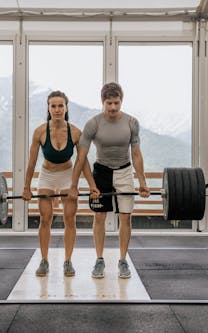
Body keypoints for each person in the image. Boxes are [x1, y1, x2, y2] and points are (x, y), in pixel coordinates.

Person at [69, 82, 150, 279]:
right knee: (99, 217)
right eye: (109, 103)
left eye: (116, 103)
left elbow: (137, 154)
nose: (113, 107)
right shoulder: (93, 124)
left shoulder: (132, 122)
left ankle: (123, 260)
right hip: (101, 172)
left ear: (121, 101)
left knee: (125, 218)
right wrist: (77, 185)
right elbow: (81, 157)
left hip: (124, 171)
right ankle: (99, 259)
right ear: (102, 102)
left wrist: (143, 182)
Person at [22, 90, 97, 277]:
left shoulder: (75, 132)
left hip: (67, 174)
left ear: (66, 107)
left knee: (69, 219)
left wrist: (91, 186)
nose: (57, 109)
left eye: (60, 106)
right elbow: (31, 162)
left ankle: (68, 261)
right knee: (45, 218)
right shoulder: (40, 131)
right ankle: (44, 260)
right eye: (53, 106)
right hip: (47, 174)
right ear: (48, 108)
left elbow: (83, 162)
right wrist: (26, 187)